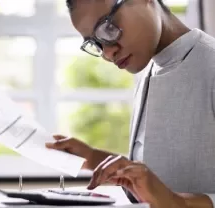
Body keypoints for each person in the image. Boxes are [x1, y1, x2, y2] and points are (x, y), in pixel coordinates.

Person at [45, 0, 215, 208]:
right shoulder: (149, 72)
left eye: (108, 27)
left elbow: (170, 197)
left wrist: (179, 204)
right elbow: (161, 174)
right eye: (95, 43)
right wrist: (91, 157)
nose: (107, 54)